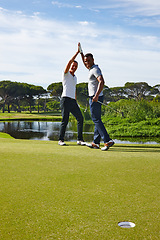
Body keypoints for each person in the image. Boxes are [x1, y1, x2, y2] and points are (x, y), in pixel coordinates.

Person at [79, 43, 114, 151]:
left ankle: (107, 140)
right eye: (85, 61)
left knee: (95, 119)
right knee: (96, 119)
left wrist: (96, 95)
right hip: (95, 97)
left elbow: (102, 81)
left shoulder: (95, 69)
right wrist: (81, 52)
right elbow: (84, 62)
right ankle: (96, 142)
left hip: (95, 98)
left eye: (88, 61)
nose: (86, 63)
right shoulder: (91, 68)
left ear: (93, 60)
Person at [58, 45, 86, 146]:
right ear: (70, 66)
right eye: (73, 66)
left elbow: (74, 90)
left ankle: (79, 139)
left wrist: (76, 101)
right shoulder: (66, 74)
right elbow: (69, 62)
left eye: (76, 66)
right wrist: (77, 53)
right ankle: (61, 140)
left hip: (73, 101)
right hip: (65, 100)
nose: (74, 67)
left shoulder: (75, 77)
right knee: (65, 120)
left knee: (80, 118)